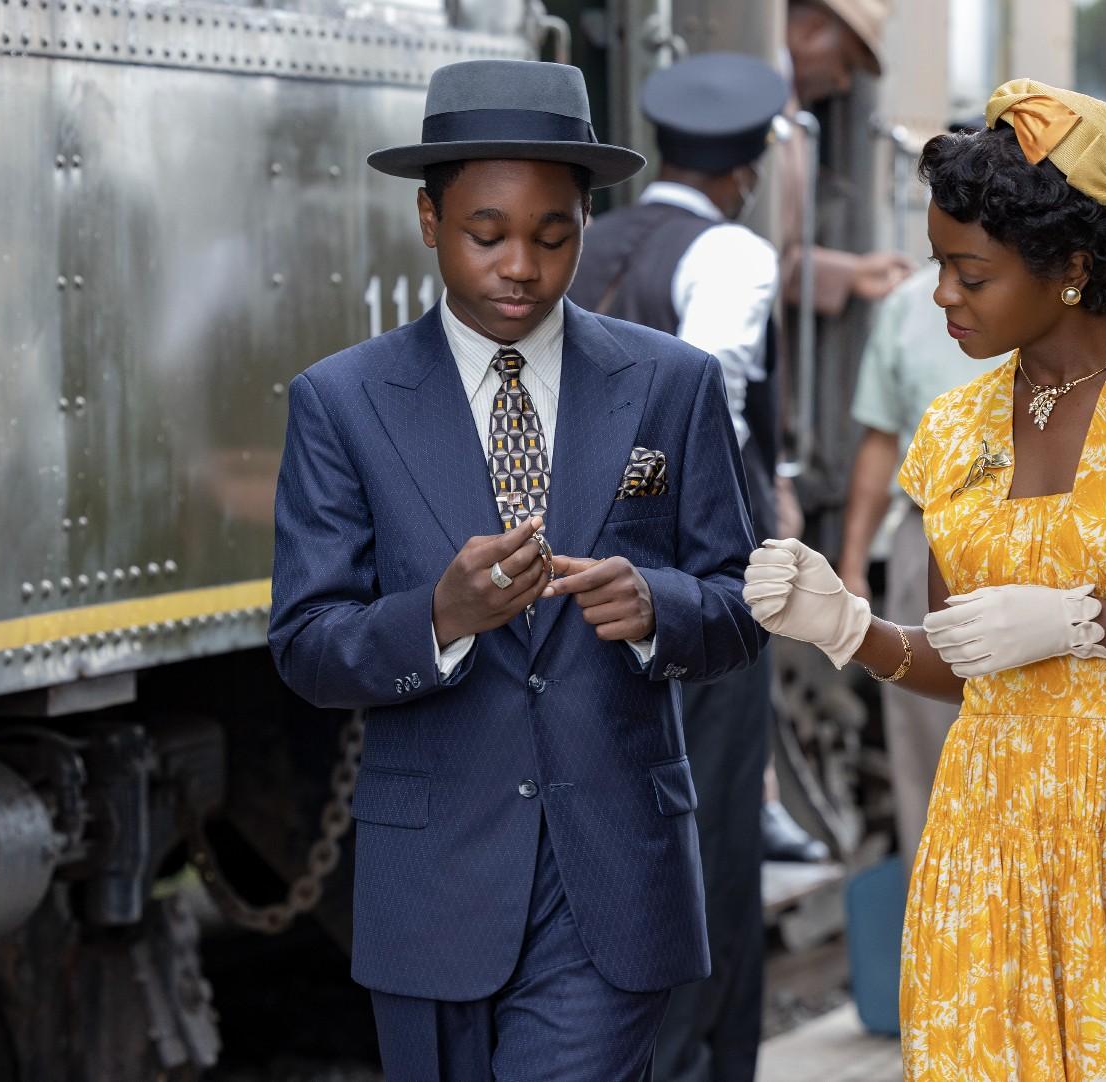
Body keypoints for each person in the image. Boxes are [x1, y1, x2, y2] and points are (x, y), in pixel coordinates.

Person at [743, 80, 1106, 1077]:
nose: (941, 296)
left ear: (1069, 267)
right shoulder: (953, 426)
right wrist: (849, 629)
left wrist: (1087, 622)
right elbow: (964, 658)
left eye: (970, 274)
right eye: (938, 266)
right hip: (988, 833)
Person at [267, 59, 765, 1080]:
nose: (520, 269)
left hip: (612, 880)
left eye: (553, 237)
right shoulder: (342, 403)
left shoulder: (672, 384)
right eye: (484, 235)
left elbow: (738, 602)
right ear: (427, 219)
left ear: (586, 222)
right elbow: (307, 645)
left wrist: (659, 606)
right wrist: (438, 617)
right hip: (432, 883)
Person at [566, 52, 787, 1082]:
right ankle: (695, 1058)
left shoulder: (584, 235)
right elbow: (715, 404)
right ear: (744, 166)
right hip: (692, 586)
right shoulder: (732, 252)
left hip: (565, 583)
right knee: (707, 832)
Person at [839, 117, 1007, 863]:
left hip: (1035, 536)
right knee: (923, 742)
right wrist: (851, 567)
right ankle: (935, 921)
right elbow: (879, 439)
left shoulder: (1078, 316)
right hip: (927, 534)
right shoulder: (909, 304)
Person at [777, 0, 916, 318]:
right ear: (811, 31)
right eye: (846, 63)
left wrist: (850, 274)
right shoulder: (765, 101)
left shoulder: (787, 107)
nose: (843, 82)